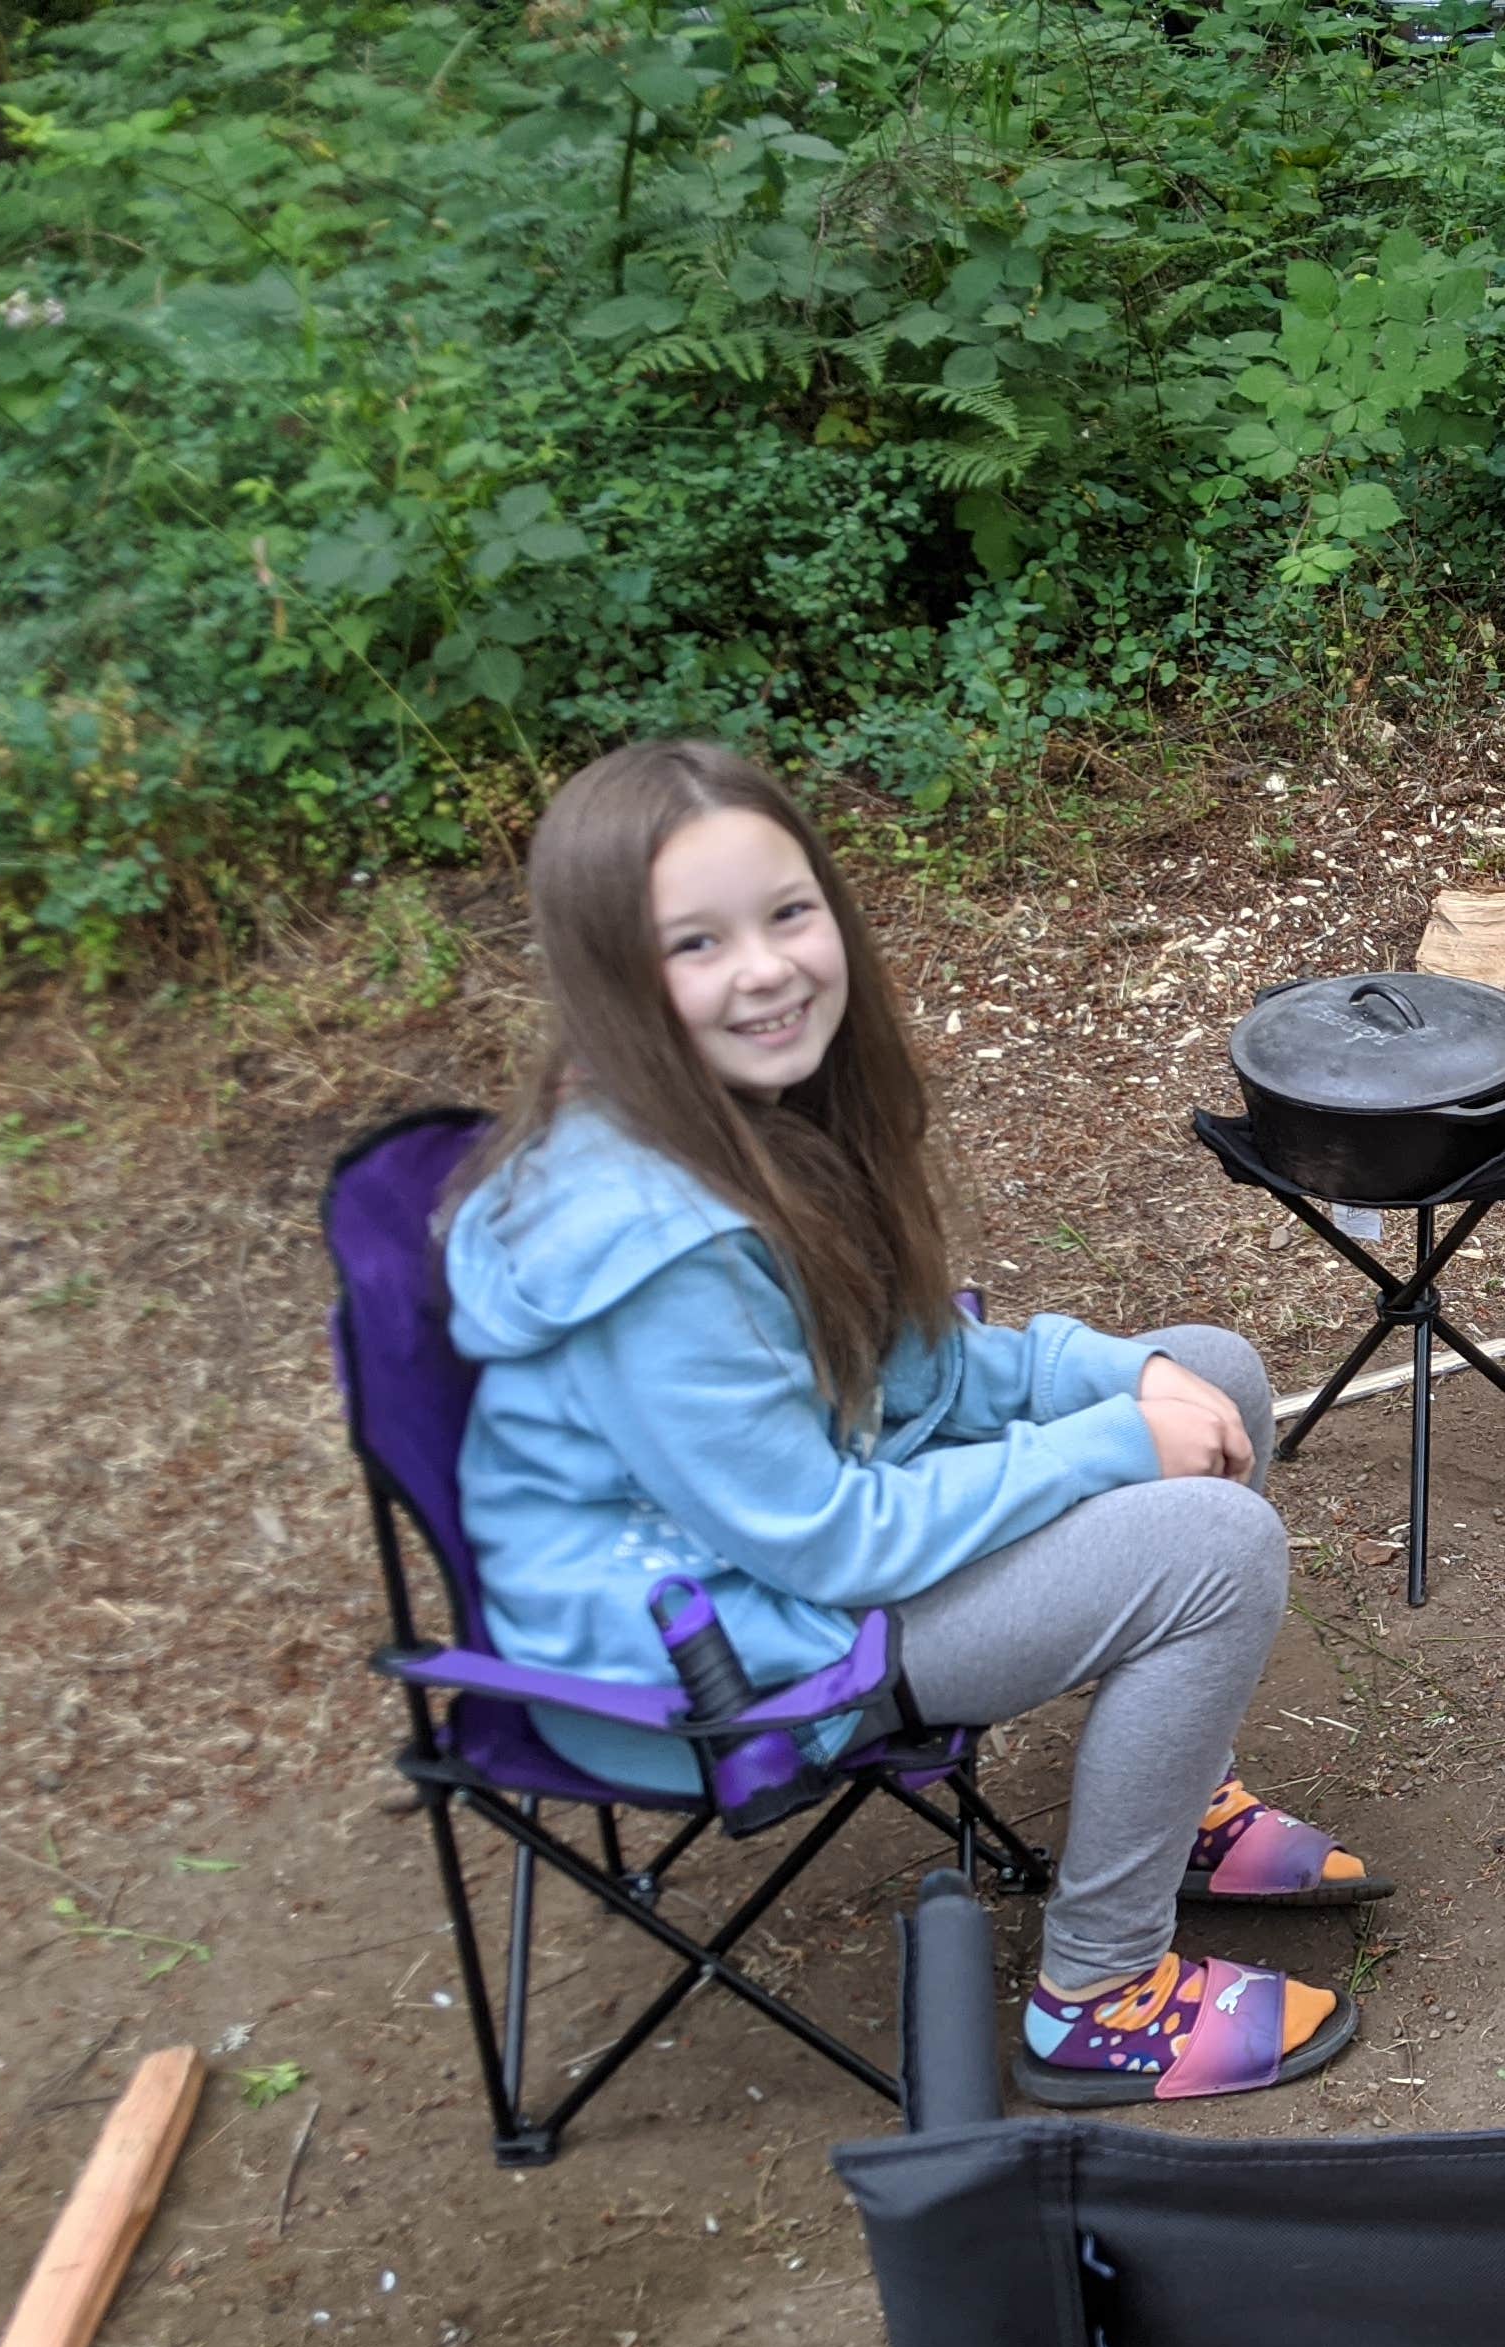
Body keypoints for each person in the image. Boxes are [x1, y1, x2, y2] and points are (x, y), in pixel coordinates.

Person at [440, 740, 1379, 2106]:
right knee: (1215, 1549)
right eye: (695, 943)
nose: (763, 967)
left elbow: (915, 1365)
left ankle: (1165, 1810)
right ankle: (1103, 1999)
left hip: (798, 1550)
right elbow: (828, 1544)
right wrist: (1112, 1446)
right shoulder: (656, 1254)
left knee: (1209, 1372)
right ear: (610, 982)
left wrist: (1111, 1386)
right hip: (717, 1661)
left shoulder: (749, 1116)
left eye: (786, 913)